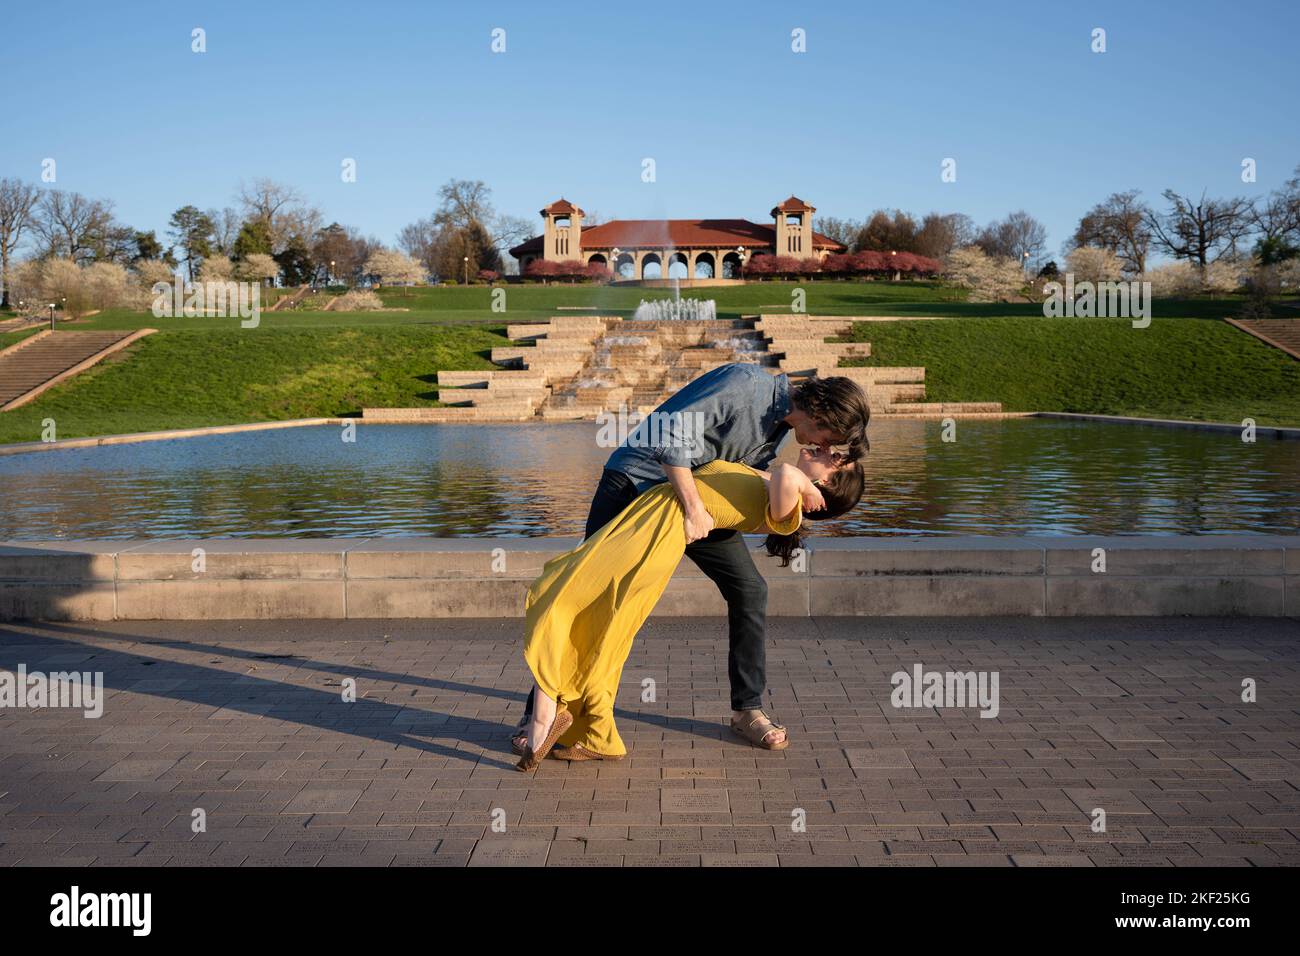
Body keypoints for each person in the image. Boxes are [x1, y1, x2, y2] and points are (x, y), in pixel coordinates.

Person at [510, 361, 871, 757]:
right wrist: (696, 506)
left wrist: (719, 505)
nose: (823, 447)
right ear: (820, 414)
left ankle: (746, 711)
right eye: (828, 438)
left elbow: (736, 473)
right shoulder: (744, 384)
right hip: (636, 485)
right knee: (589, 595)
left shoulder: (779, 428)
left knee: (749, 589)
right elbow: (671, 433)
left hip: (691, 508)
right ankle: (542, 715)